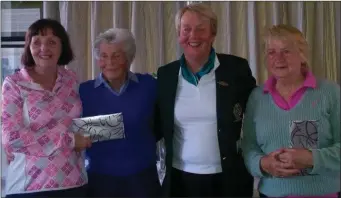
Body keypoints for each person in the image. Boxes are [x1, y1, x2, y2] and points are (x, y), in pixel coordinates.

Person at [155, 3, 256, 197]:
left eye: (201, 29)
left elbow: (259, 109)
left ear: (212, 34)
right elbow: (153, 122)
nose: (193, 36)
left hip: (228, 178)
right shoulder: (166, 75)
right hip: (180, 179)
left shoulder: (236, 69)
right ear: (178, 35)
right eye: (186, 29)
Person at [242, 24, 340, 198]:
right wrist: (263, 163)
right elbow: (249, 147)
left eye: (286, 51)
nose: (278, 58)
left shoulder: (330, 92)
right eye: (271, 52)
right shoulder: (256, 97)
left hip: (322, 193)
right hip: (271, 193)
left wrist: (311, 159)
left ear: (302, 56)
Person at [1, 18, 91, 198]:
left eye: (51, 42)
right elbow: (12, 137)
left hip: (75, 182)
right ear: (28, 46)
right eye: (37, 42)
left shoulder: (71, 79)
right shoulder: (14, 84)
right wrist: (70, 141)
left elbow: (76, 124)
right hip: (30, 187)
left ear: (62, 46)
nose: (44, 49)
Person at [79, 28, 161, 197]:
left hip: (143, 179)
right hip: (100, 180)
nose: (110, 62)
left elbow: (162, 124)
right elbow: (76, 135)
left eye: (116, 55)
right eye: (103, 56)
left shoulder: (149, 85)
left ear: (128, 58)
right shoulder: (83, 92)